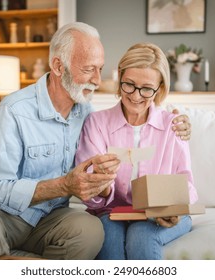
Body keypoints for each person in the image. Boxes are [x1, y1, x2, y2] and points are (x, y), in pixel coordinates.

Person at [0, 23, 191, 260]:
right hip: (3, 214)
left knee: (90, 231)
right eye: (89, 69)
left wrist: (175, 120)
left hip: (52, 217)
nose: (97, 80)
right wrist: (65, 185)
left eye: (100, 69)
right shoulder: (15, 110)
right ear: (58, 65)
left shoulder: (85, 112)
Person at [75, 42, 198, 260]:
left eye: (147, 89)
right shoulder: (97, 123)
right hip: (110, 213)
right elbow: (88, 193)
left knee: (141, 235)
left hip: (158, 214)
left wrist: (172, 209)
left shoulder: (173, 126)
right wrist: (101, 184)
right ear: (120, 77)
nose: (136, 96)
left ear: (160, 89)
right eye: (129, 85)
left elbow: (187, 186)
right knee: (108, 241)